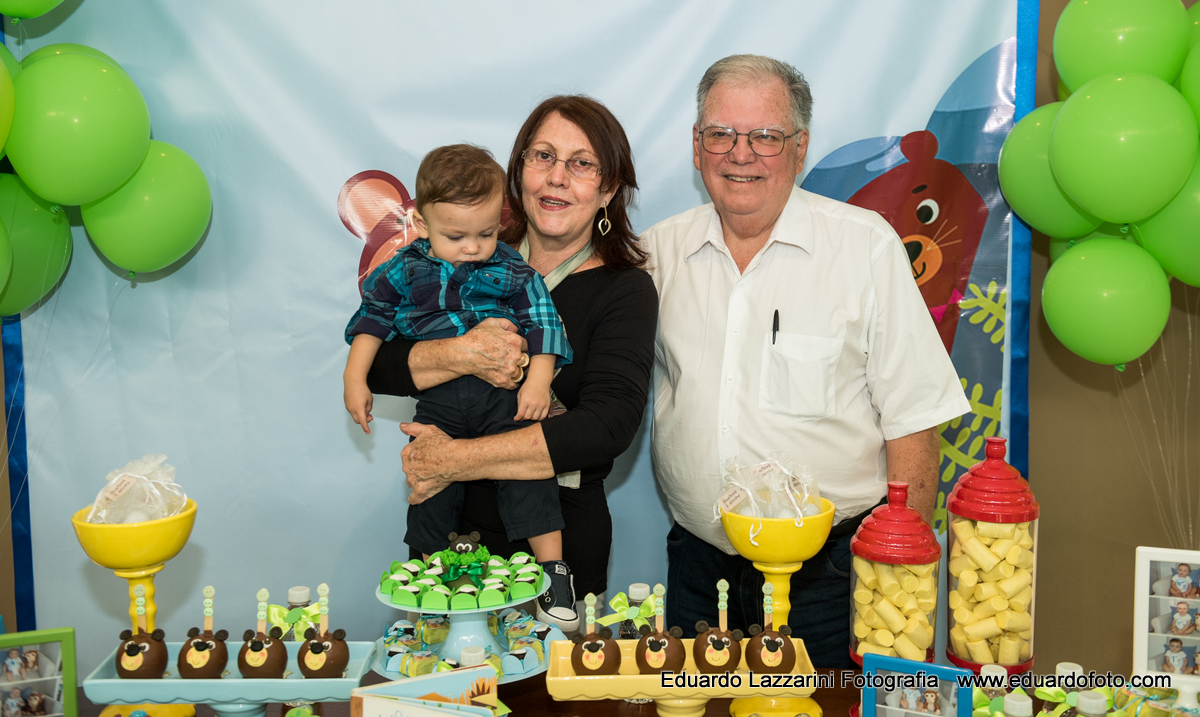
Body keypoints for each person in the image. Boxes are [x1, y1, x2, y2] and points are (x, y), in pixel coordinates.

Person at [642, 54, 970, 667]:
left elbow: (914, 420)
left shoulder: (864, 246)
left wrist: (899, 584)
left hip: (832, 581)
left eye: (765, 136)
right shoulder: (658, 254)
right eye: (721, 133)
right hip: (697, 572)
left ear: (799, 147)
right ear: (696, 145)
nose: (741, 154)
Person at [365, 95, 658, 624]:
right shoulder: (465, 252)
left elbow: (606, 428)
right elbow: (381, 364)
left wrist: (453, 459)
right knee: (447, 697)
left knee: (550, 701)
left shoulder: (625, 290)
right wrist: (462, 354)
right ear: (517, 170)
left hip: (559, 536)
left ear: (608, 189)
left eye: (582, 164)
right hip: (452, 526)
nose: (557, 178)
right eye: (542, 156)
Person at [343, 144, 576, 627]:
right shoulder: (404, 269)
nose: (473, 247)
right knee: (429, 481)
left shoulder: (510, 267)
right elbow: (372, 319)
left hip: (500, 398)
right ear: (422, 225)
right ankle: (424, 583)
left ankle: (554, 569)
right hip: (441, 402)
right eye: (456, 235)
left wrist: (536, 382)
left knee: (527, 471)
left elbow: (543, 323)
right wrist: (355, 375)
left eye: (486, 233)